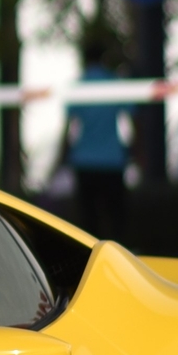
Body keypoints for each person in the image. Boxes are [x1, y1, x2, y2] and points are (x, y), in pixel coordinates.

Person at [65, 33, 132, 240]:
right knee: (116, 219)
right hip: (112, 159)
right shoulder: (114, 83)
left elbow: (69, 126)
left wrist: (64, 155)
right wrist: (134, 150)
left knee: (89, 222)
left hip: (84, 160)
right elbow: (132, 119)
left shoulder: (78, 86)